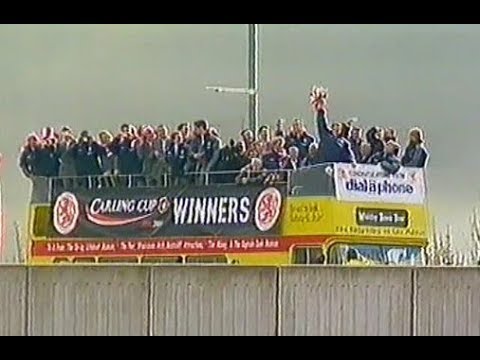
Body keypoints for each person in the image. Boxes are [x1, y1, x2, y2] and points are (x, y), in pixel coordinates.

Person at [310, 86, 355, 164]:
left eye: (339, 128)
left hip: (337, 168)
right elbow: (321, 123)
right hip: (324, 166)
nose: (337, 129)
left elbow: (349, 157)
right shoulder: (326, 135)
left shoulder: (344, 143)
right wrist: (321, 110)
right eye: (335, 127)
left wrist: (353, 164)